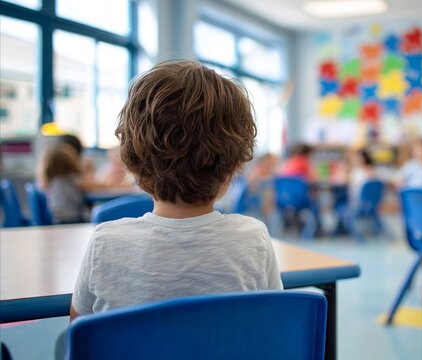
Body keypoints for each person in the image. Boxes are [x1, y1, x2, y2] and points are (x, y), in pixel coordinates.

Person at [70, 60, 282, 322]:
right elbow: (270, 324)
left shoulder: (105, 243)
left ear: (134, 161)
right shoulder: (254, 239)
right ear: (233, 165)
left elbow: (79, 334)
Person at [37, 143, 88, 223]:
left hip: (55, 218)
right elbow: (91, 186)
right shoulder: (72, 178)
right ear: (70, 162)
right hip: (74, 218)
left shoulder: (49, 181)